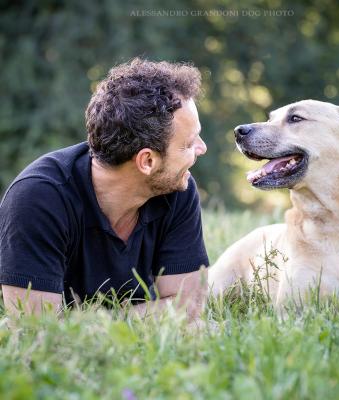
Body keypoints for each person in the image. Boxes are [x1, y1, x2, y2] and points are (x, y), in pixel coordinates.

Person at [0, 58, 209, 320]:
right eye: (189, 144)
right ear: (147, 161)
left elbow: (189, 309)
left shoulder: (177, 189)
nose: (202, 148)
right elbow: (35, 329)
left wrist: (80, 322)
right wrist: (148, 316)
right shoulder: (37, 199)